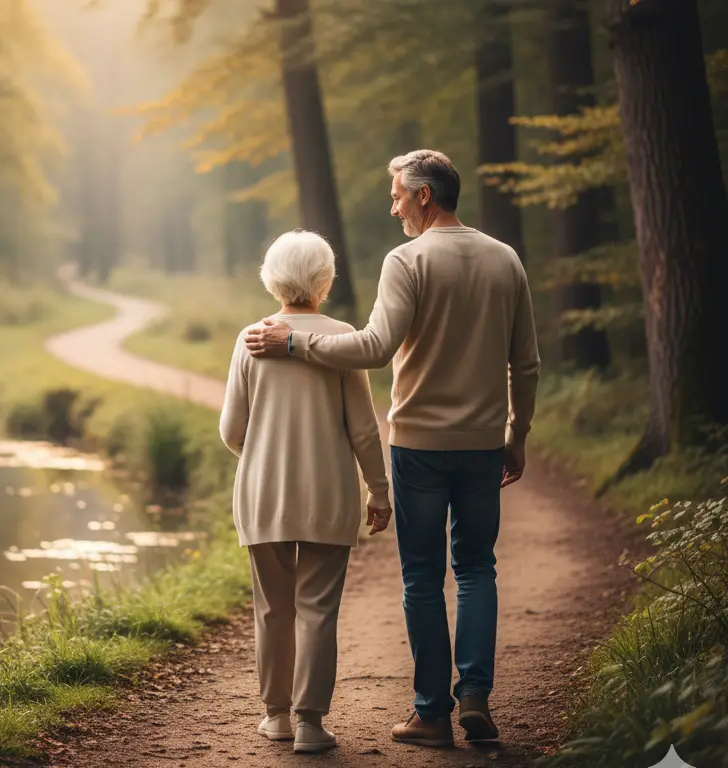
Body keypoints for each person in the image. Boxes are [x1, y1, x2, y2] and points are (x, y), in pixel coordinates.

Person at [244, 149, 541, 748]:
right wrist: (517, 434)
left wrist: (296, 343)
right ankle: (476, 696)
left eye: (399, 195)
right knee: (479, 568)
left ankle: (431, 714)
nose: (394, 205)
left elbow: (375, 347)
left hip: (419, 446)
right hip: (484, 443)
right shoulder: (505, 259)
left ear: (424, 196)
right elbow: (526, 363)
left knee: (423, 578)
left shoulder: (407, 259)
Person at [219, 229, 393, 754]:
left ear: (272, 279)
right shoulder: (341, 336)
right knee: (317, 608)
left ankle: (275, 716)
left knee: (272, 608)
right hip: (329, 496)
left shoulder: (252, 337)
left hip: (263, 495)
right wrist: (379, 491)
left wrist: (264, 449)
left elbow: (232, 430)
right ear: (325, 279)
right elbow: (364, 428)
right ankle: (311, 723)